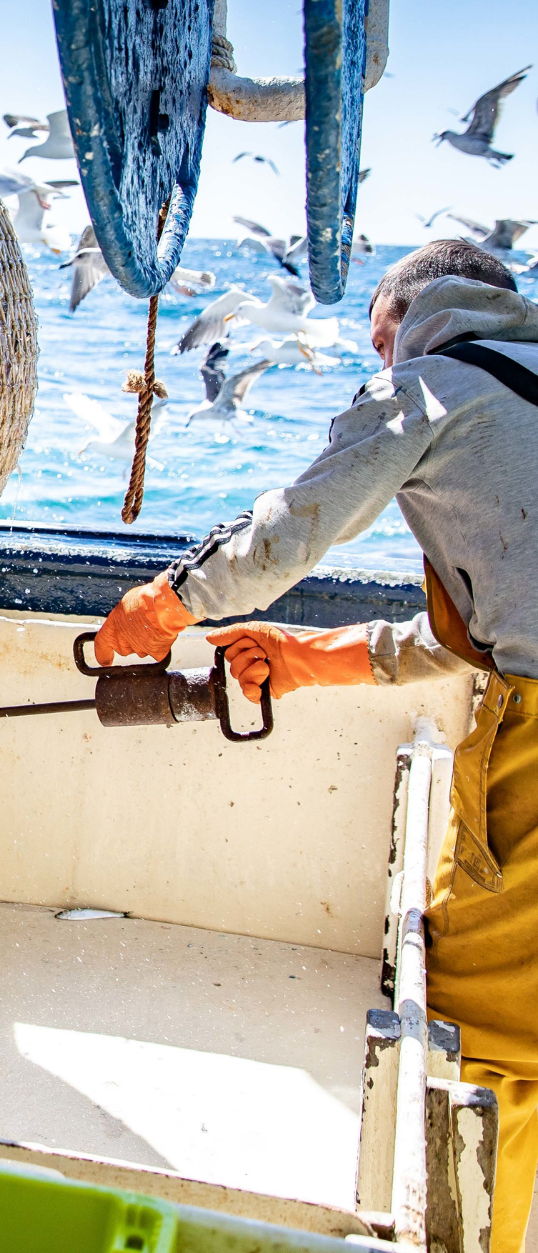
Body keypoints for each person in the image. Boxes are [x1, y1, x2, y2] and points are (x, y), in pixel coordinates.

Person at [95, 238, 538, 1251]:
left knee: (487, 1035)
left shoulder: (426, 385)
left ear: (406, 319)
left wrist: (163, 605)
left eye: (379, 343)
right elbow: (484, 628)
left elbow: (292, 531)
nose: (379, 363)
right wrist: (302, 659)